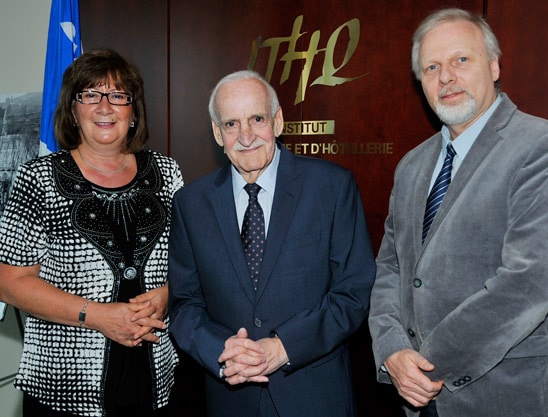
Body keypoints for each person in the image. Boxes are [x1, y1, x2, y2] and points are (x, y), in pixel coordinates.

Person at [368, 7, 548, 417]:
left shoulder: (546, 148)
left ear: (494, 66)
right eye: (431, 67)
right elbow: (390, 270)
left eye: (461, 60)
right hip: (416, 398)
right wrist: (392, 350)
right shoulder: (411, 165)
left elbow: (528, 283)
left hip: (506, 398)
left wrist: (426, 363)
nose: (446, 77)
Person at [168, 70, 376, 417]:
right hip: (231, 398)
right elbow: (184, 304)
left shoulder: (331, 187)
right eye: (231, 124)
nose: (246, 136)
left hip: (315, 397)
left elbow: (353, 293)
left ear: (277, 121)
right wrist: (222, 351)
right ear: (218, 133)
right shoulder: (191, 203)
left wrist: (283, 347)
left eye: (257, 119)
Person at [0, 48, 183, 417]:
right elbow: (9, 282)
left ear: (133, 111)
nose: (104, 107)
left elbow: (191, 262)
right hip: (63, 386)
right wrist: (96, 315)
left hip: (153, 380)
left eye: (118, 96)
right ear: (73, 111)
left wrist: (168, 294)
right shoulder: (38, 178)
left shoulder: (167, 173)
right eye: (90, 95)